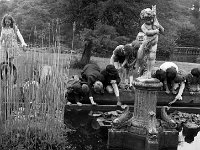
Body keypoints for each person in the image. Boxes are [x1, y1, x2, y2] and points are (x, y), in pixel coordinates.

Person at [136, 6, 164, 78]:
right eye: (146, 19)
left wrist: (159, 27)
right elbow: (147, 32)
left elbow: (163, 30)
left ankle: (149, 72)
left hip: (154, 43)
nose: (148, 21)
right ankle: (142, 70)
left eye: (150, 19)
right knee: (140, 55)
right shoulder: (143, 26)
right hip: (147, 43)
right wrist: (156, 31)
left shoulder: (154, 23)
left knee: (151, 57)